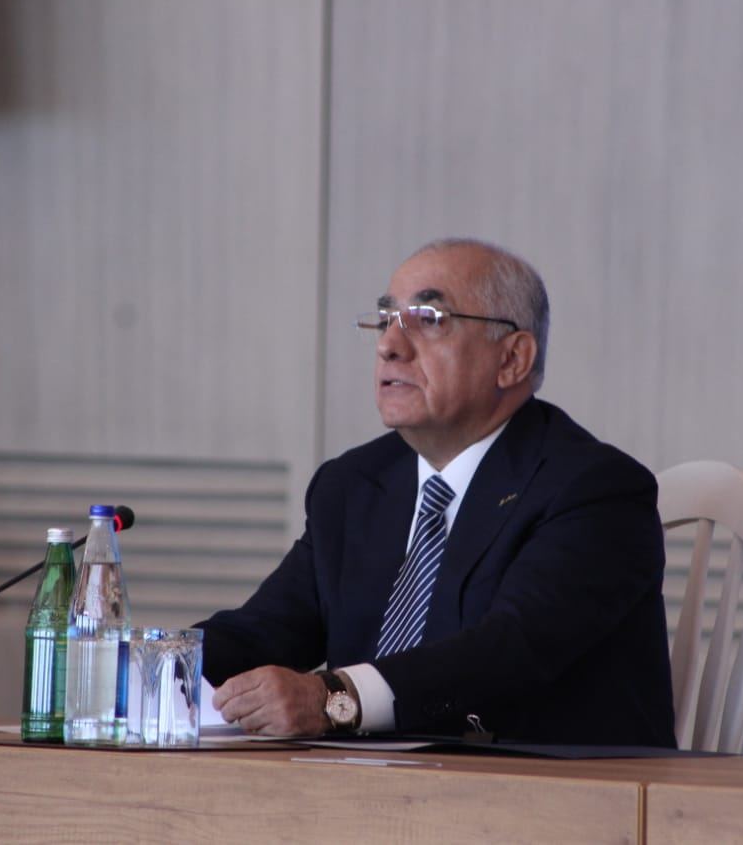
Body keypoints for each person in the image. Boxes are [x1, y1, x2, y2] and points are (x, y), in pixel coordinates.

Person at [200, 238, 675, 746]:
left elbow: (506, 652)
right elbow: (262, 632)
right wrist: (155, 666)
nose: (389, 345)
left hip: (547, 787)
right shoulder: (352, 485)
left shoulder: (594, 489)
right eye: (386, 319)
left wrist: (335, 698)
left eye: (428, 319)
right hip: (366, 785)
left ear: (512, 359)